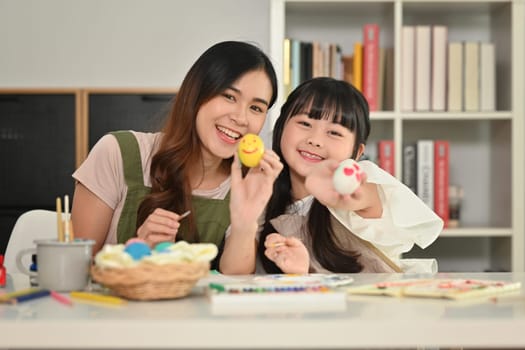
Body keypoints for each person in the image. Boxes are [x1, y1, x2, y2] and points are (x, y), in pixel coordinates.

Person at [71, 41, 283, 274]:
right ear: (196, 94)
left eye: (256, 108)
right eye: (229, 96)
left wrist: (244, 224)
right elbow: (73, 271)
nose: (241, 118)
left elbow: (236, 285)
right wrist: (136, 253)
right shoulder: (118, 153)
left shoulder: (249, 185)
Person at [258, 77, 443, 274]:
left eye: (335, 133)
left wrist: (344, 190)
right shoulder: (260, 195)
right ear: (280, 128)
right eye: (305, 123)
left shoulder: (361, 183)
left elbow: (364, 195)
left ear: (356, 152)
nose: (315, 140)